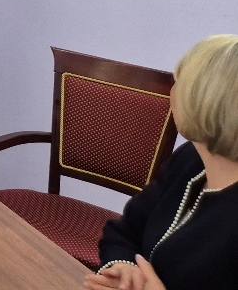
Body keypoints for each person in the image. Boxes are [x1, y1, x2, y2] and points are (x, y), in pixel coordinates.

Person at [87, 35, 238, 290]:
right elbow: (124, 231)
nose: (171, 92)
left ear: (204, 102)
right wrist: (123, 266)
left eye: (179, 82)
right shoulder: (190, 159)